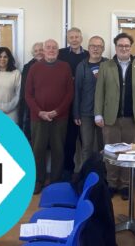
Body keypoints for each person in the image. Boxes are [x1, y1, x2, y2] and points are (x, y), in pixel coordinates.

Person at [94, 32, 135, 200]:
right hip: (110, 118)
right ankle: (111, 183)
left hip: (132, 119)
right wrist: (98, 114)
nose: (124, 48)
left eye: (127, 46)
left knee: (127, 154)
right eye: (120, 46)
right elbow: (99, 92)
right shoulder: (106, 66)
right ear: (116, 47)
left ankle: (125, 184)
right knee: (111, 152)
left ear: (130, 47)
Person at [25, 39, 74, 194]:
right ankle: (38, 180)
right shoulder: (34, 68)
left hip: (59, 117)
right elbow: (28, 93)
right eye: (48, 48)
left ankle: (55, 180)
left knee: (58, 150)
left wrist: (57, 111)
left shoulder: (65, 67)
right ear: (43, 50)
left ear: (58, 51)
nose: (51, 50)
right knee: (37, 149)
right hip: (38, 117)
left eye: (54, 48)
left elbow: (69, 93)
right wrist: (39, 112)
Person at [58, 27, 89, 178]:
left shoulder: (89, 55)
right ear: (67, 39)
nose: (74, 39)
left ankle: (85, 172)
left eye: (77, 37)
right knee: (68, 141)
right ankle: (68, 171)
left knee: (87, 143)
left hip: (85, 105)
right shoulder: (61, 54)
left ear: (81, 38)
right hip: (66, 105)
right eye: (71, 37)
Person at [73, 36, 107, 172]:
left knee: (104, 146)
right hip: (86, 113)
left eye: (99, 46)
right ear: (88, 47)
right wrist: (76, 113)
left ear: (103, 48)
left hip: (104, 113)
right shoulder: (82, 66)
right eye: (93, 45)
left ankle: (102, 174)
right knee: (86, 146)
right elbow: (77, 90)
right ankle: (86, 175)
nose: (95, 48)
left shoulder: (108, 65)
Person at [18, 42, 44, 140]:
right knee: (31, 135)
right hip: (31, 106)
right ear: (33, 54)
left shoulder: (53, 64)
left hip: (48, 106)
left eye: (41, 50)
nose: (39, 53)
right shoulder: (27, 67)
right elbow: (25, 89)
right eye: (36, 51)